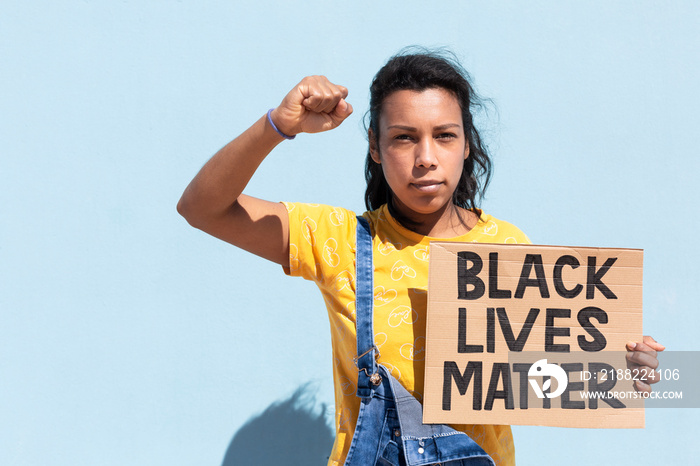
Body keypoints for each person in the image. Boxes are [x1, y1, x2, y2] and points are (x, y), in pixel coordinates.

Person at [177, 50, 664, 466]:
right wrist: (276, 127)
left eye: (444, 136)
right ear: (375, 147)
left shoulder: (508, 247)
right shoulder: (339, 240)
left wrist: (622, 372)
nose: (425, 157)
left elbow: (544, 377)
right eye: (404, 137)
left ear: (466, 144)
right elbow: (201, 208)